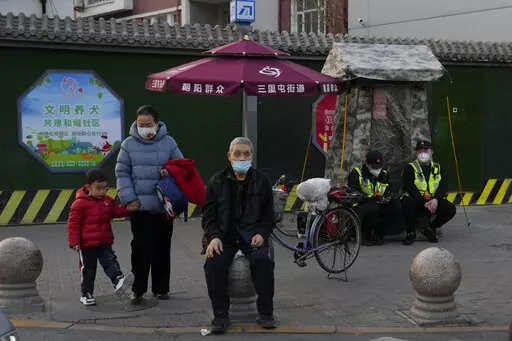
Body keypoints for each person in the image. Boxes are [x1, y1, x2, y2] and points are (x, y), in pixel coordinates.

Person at [202, 137, 276, 334]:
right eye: (237, 154)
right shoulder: (216, 181)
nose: (241, 158)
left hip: (252, 236)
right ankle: (220, 315)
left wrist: (261, 233)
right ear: (229, 156)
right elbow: (208, 216)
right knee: (214, 264)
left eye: (246, 154)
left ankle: (266, 312)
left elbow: (269, 218)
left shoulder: (262, 181)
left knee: (263, 262)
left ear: (252, 156)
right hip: (224, 236)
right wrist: (213, 236)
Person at [115, 105, 183, 304]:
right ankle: (138, 289)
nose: (145, 129)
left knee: (163, 248)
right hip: (140, 207)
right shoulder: (128, 144)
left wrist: (170, 171)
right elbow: (122, 173)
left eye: (149, 125)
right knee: (141, 249)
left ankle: (161, 289)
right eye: (141, 125)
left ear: (157, 123)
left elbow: (181, 166)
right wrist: (129, 198)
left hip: (164, 207)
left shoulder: (169, 142)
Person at [67, 169, 134, 306]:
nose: (102, 192)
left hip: (104, 242)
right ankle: (86, 294)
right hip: (86, 245)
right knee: (88, 270)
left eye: (105, 188)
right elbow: (73, 224)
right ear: (88, 187)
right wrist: (74, 242)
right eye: (98, 188)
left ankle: (118, 280)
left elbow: (115, 212)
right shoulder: (79, 204)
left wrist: (129, 208)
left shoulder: (107, 201)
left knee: (110, 261)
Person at [402, 140, 456, 244]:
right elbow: (410, 187)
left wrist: (435, 199)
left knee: (450, 208)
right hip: (416, 200)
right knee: (408, 203)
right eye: (420, 151)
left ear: (431, 152)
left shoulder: (437, 167)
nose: (423, 153)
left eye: (426, 150)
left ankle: (430, 228)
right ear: (416, 153)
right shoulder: (410, 168)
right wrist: (424, 202)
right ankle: (411, 233)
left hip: (432, 200)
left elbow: (443, 186)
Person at [348, 150, 404, 246]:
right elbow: (353, 192)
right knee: (372, 209)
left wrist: (388, 197)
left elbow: (389, 189)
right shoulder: (357, 173)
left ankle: (380, 234)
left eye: (379, 166)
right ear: (367, 164)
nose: (377, 169)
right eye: (374, 166)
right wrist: (372, 197)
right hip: (362, 203)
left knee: (396, 206)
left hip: (380, 202)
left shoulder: (384, 174)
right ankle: (365, 235)